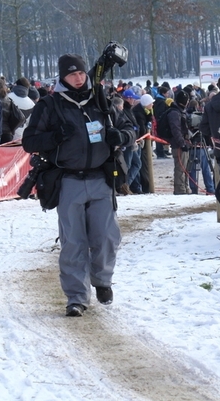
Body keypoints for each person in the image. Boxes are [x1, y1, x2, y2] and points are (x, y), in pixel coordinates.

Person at [22, 53, 135, 317]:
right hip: (68, 180)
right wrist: (54, 137)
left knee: (107, 237)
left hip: (100, 177)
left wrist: (122, 135)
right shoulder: (50, 105)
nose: (78, 78)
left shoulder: (100, 100)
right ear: (62, 77)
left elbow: (130, 128)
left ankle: (102, 281)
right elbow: (30, 141)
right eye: (72, 74)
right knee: (73, 242)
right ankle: (76, 297)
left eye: (81, 73)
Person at [166, 90, 192, 194]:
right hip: (178, 145)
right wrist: (182, 143)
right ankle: (180, 189)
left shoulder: (180, 111)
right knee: (180, 168)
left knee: (185, 168)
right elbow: (176, 130)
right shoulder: (174, 112)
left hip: (183, 142)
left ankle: (185, 187)